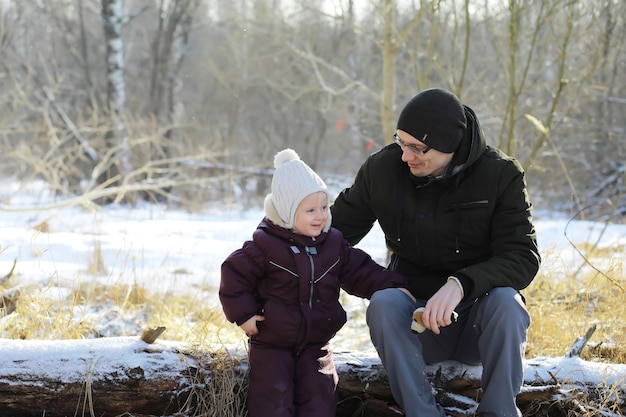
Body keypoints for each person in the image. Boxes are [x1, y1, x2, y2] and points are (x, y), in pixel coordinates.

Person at [330, 88, 541, 417]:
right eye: (401, 142)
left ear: (450, 144)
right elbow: (330, 238)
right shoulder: (382, 171)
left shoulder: (501, 175)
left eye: (418, 148)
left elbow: (522, 256)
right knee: (384, 302)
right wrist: (272, 250)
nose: (406, 156)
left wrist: (461, 284)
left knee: (507, 303)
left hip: (479, 323)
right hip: (415, 325)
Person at [219, 148, 411, 417]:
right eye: (310, 210)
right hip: (272, 343)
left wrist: (393, 284)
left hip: (316, 344)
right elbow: (234, 274)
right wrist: (245, 314)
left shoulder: (332, 246)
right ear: (287, 212)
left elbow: (361, 271)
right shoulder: (265, 247)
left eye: (323, 207)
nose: (320, 215)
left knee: (320, 397)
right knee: (273, 399)